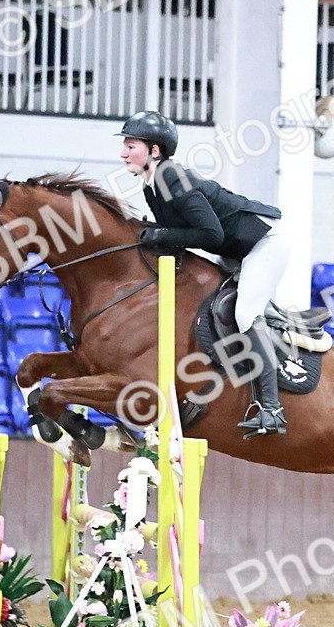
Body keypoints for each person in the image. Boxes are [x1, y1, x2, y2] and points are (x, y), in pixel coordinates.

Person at [118, 110, 290, 438]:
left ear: (154, 151)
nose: (123, 153)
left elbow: (210, 235)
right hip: (237, 248)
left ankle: (272, 409)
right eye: (125, 146)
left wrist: (162, 235)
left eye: (131, 145)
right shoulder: (151, 185)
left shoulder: (170, 178)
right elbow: (179, 232)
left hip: (264, 243)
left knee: (244, 313)